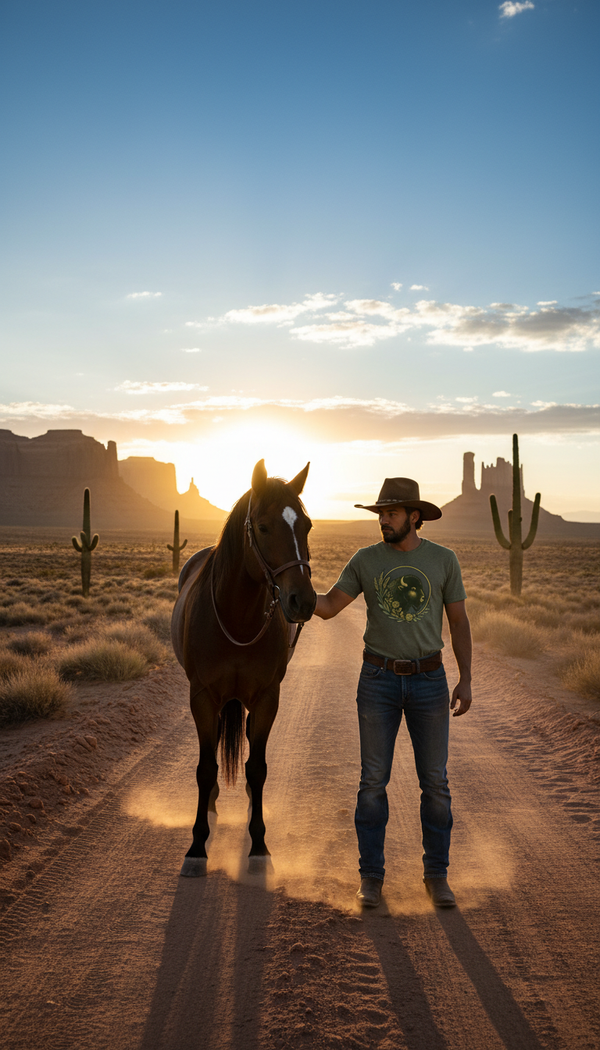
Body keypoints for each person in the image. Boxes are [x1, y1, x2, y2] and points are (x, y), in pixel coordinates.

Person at [314, 477, 472, 909]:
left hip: (430, 680)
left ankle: (436, 877)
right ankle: (371, 878)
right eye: (380, 513)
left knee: (435, 784)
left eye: (391, 513)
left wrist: (467, 678)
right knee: (372, 783)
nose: (383, 519)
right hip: (378, 680)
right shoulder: (366, 560)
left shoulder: (443, 560)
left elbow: (458, 623)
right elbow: (328, 607)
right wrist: (291, 591)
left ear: (414, 516)